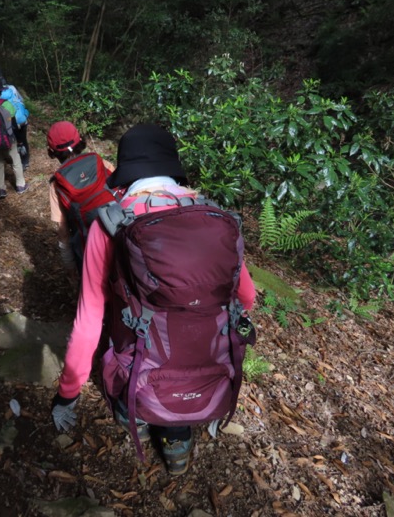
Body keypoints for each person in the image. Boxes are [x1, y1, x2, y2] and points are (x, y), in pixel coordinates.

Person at [50, 123, 257, 475]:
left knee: (125, 342)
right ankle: (176, 444)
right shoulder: (213, 216)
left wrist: (67, 392)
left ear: (125, 169)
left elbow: (88, 321)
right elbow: (246, 298)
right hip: (201, 360)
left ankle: (134, 417)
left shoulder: (111, 223)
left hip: (138, 359)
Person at [46, 121, 115, 275]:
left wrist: (70, 265)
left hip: (88, 249)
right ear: (80, 141)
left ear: (52, 151)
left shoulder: (57, 184)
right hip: (117, 234)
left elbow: (63, 231)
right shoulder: (101, 163)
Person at [0, 69, 30, 170]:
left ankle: (17, 163)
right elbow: (21, 100)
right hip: (22, 118)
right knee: (23, 140)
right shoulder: (12, 88)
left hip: (11, 121)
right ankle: (25, 161)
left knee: (13, 143)